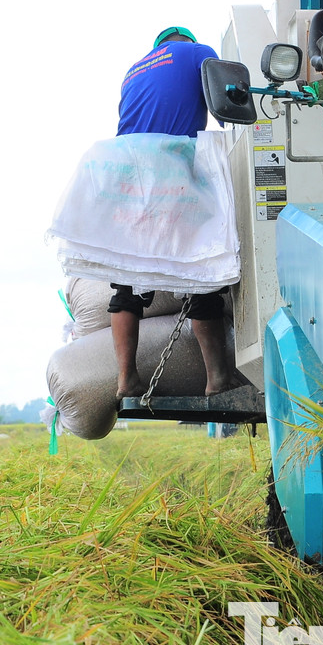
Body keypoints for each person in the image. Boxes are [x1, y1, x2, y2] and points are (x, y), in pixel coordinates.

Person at [107, 25, 239, 401]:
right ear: (187, 42)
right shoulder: (198, 53)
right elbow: (229, 98)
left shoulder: (134, 69)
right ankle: (216, 379)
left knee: (127, 283)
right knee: (200, 271)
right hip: (170, 169)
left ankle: (126, 380)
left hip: (125, 172)